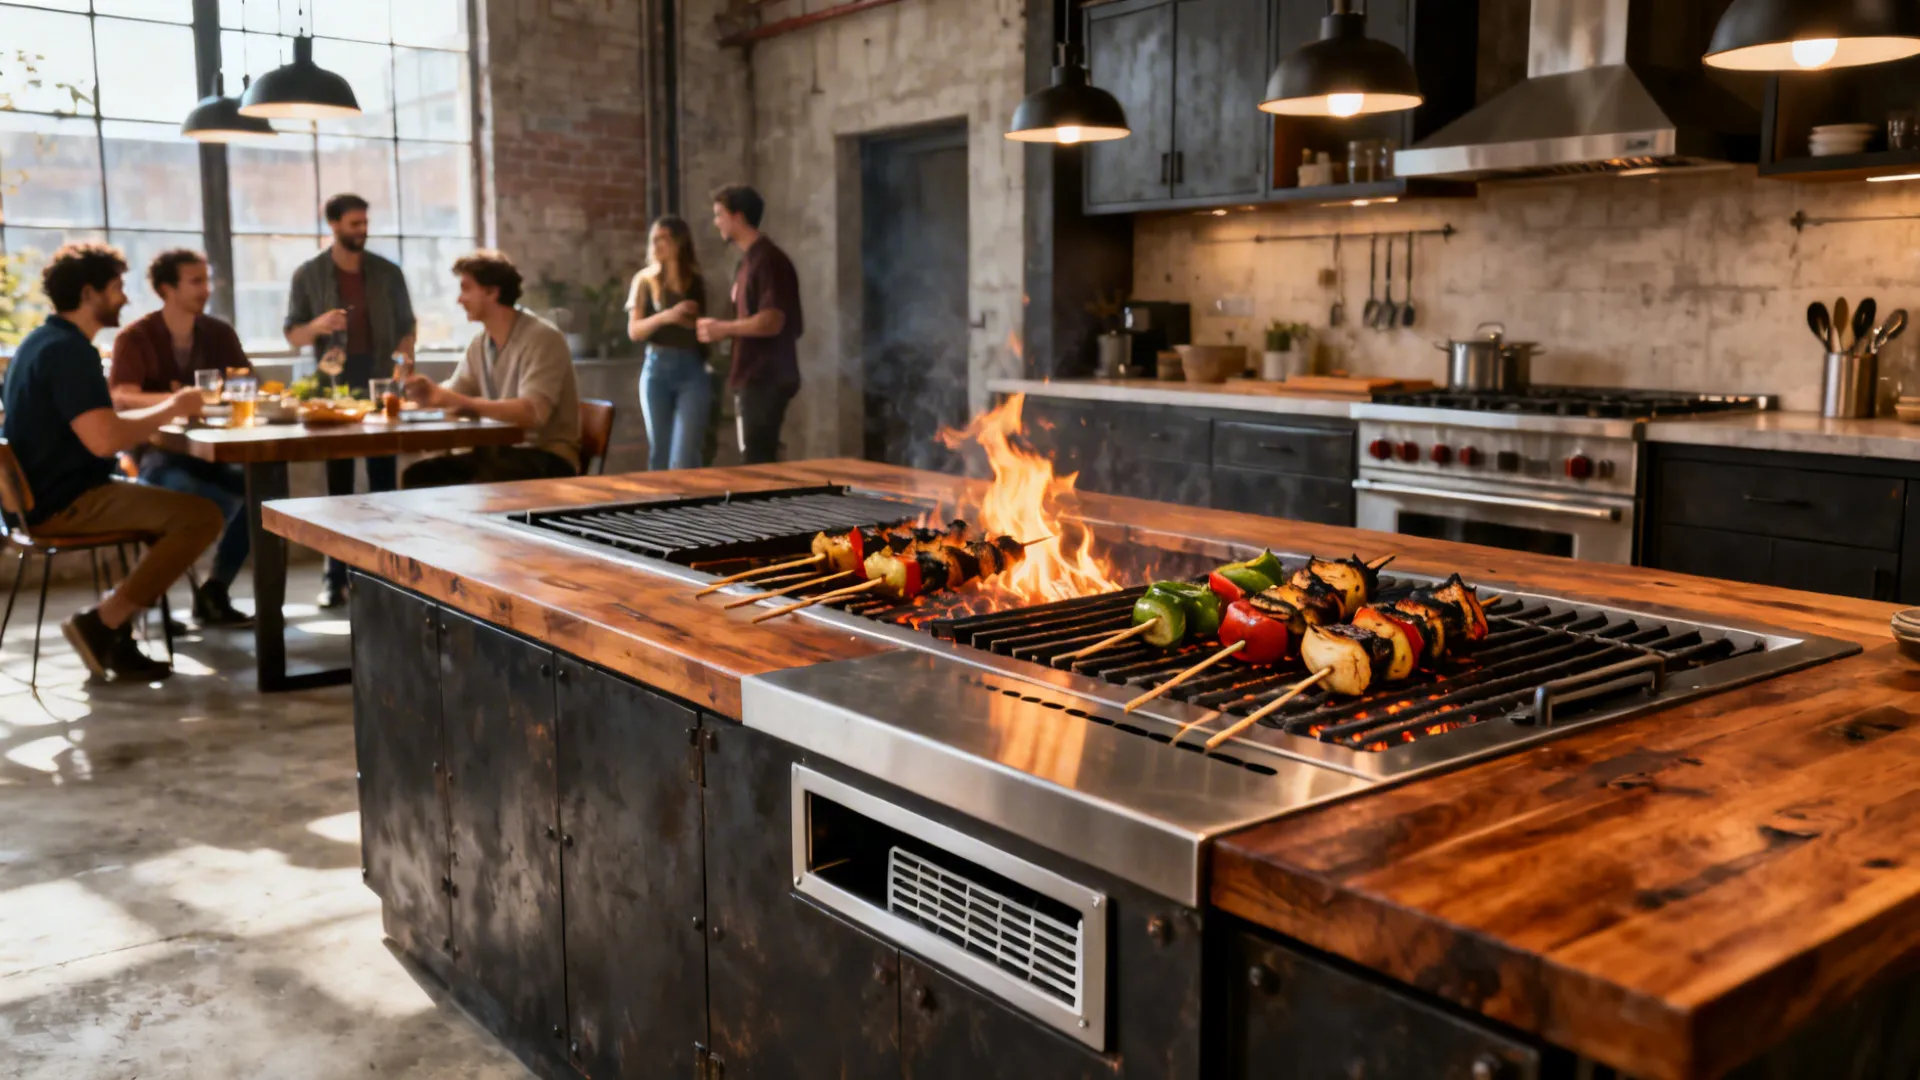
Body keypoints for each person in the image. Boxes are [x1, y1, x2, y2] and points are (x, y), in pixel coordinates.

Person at [0, 243, 223, 681]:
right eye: (117, 288)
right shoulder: (70, 353)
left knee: (179, 503)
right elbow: (104, 441)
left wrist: (159, 412)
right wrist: (175, 406)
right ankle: (103, 623)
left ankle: (117, 625)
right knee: (200, 516)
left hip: (32, 501)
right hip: (67, 501)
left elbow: (97, 425)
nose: (124, 297)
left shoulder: (41, 342)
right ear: (89, 294)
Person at [283, 192, 417, 608]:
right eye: (354, 224)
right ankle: (335, 575)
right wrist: (318, 325)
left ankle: (384, 574)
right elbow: (292, 335)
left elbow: (407, 326)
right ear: (334, 225)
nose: (362, 230)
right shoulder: (308, 275)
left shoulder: (387, 273)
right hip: (333, 388)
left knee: (383, 480)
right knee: (337, 485)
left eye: (364, 223)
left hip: (380, 382)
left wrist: (404, 361)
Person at [108, 249, 253, 627]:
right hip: (155, 453)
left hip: (212, 451)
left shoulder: (219, 333)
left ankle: (215, 591)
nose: (206, 289)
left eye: (207, 280)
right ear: (166, 288)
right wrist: (177, 401)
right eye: (196, 281)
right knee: (196, 497)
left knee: (264, 497)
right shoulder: (135, 337)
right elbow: (121, 395)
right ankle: (144, 594)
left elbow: (245, 384)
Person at [399, 250, 581, 487]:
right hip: (498, 455)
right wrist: (429, 396)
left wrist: (460, 402)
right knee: (419, 477)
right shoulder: (480, 343)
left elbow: (533, 413)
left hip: (546, 455)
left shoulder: (543, 338)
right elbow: (456, 392)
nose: (459, 299)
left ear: (492, 292)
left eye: (466, 289)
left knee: (479, 486)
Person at [697, 184, 803, 465]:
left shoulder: (768, 260)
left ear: (738, 217)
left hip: (765, 377)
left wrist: (723, 328)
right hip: (752, 377)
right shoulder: (748, 261)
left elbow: (772, 321)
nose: (716, 221)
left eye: (720, 214)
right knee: (755, 458)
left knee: (758, 462)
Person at [627, 215, 711, 471]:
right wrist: (667, 316)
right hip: (657, 370)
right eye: (655, 239)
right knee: (660, 455)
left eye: (664, 238)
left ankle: (690, 507)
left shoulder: (695, 281)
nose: (658, 244)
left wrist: (690, 322)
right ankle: (660, 508)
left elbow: (701, 327)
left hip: (692, 368)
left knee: (685, 456)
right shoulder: (644, 280)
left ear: (679, 241)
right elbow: (635, 331)